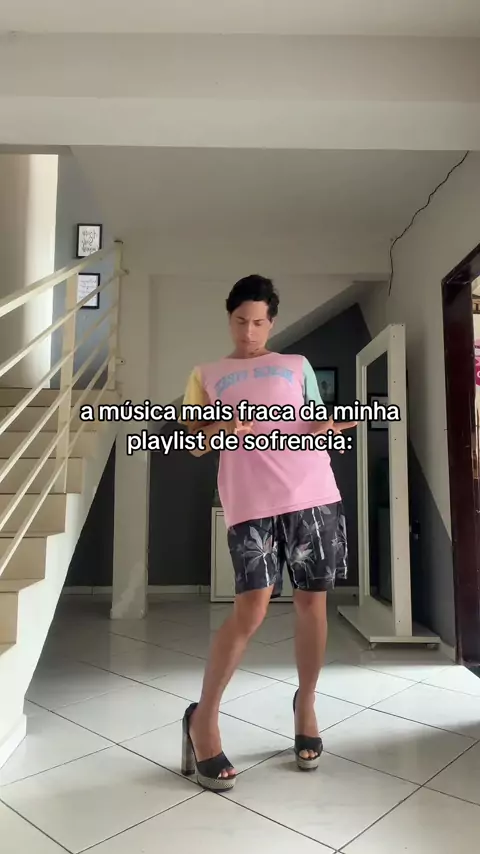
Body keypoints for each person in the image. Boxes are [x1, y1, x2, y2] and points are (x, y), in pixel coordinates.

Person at [178, 274, 357, 791]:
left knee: (312, 603)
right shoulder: (205, 374)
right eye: (241, 321)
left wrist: (327, 426)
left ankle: (306, 705)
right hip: (250, 502)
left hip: (311, 492)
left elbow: (313, 422)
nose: (250, 332)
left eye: (259, 323)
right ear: (229, 318)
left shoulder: (297, 365)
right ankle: (203, 718)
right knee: (251, 609)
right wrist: (221, 427)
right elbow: (193, 443)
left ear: (271, 322)